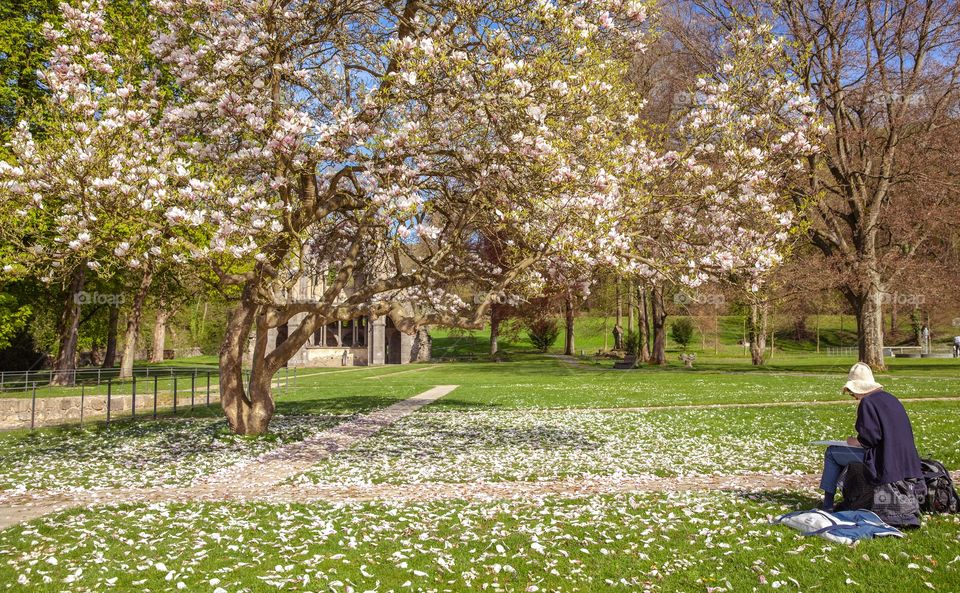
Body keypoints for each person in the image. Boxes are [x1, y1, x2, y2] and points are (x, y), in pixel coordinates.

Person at [818, 362, 924, 511]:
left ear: (858, 388)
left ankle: (827, 504)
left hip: (884, 460)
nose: (853, 396)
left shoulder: (867, 402)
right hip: (906, 459)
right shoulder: (891, 398)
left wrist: (853, 441)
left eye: (851, 392)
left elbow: (869, 439)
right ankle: (851, 494)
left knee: (831, 453)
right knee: (840, 454)